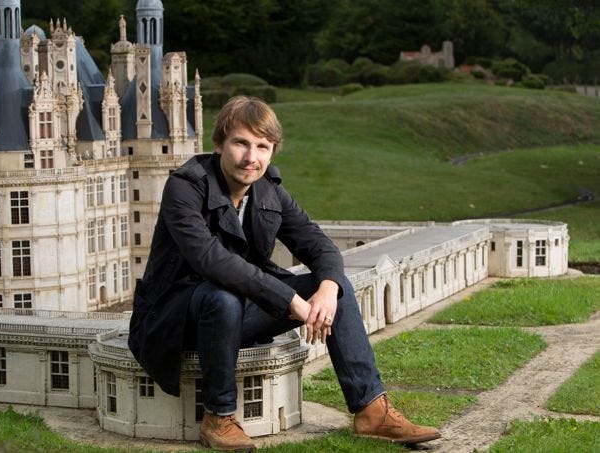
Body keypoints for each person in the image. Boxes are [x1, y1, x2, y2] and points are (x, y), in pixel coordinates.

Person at [128, 96, 440, 450]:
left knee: (337, 287)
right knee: (222, 297)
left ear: (273, 151)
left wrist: (325, 288)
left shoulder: (269, 192)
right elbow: (211, 261)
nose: (251, 157)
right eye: (241, 143)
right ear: (218, 145)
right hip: (174, 320)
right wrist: (291, 300)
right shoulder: (185, 186)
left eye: (263, 146)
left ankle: (371, 411)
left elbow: (318, 244)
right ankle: (218, 416)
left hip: (236, 313)